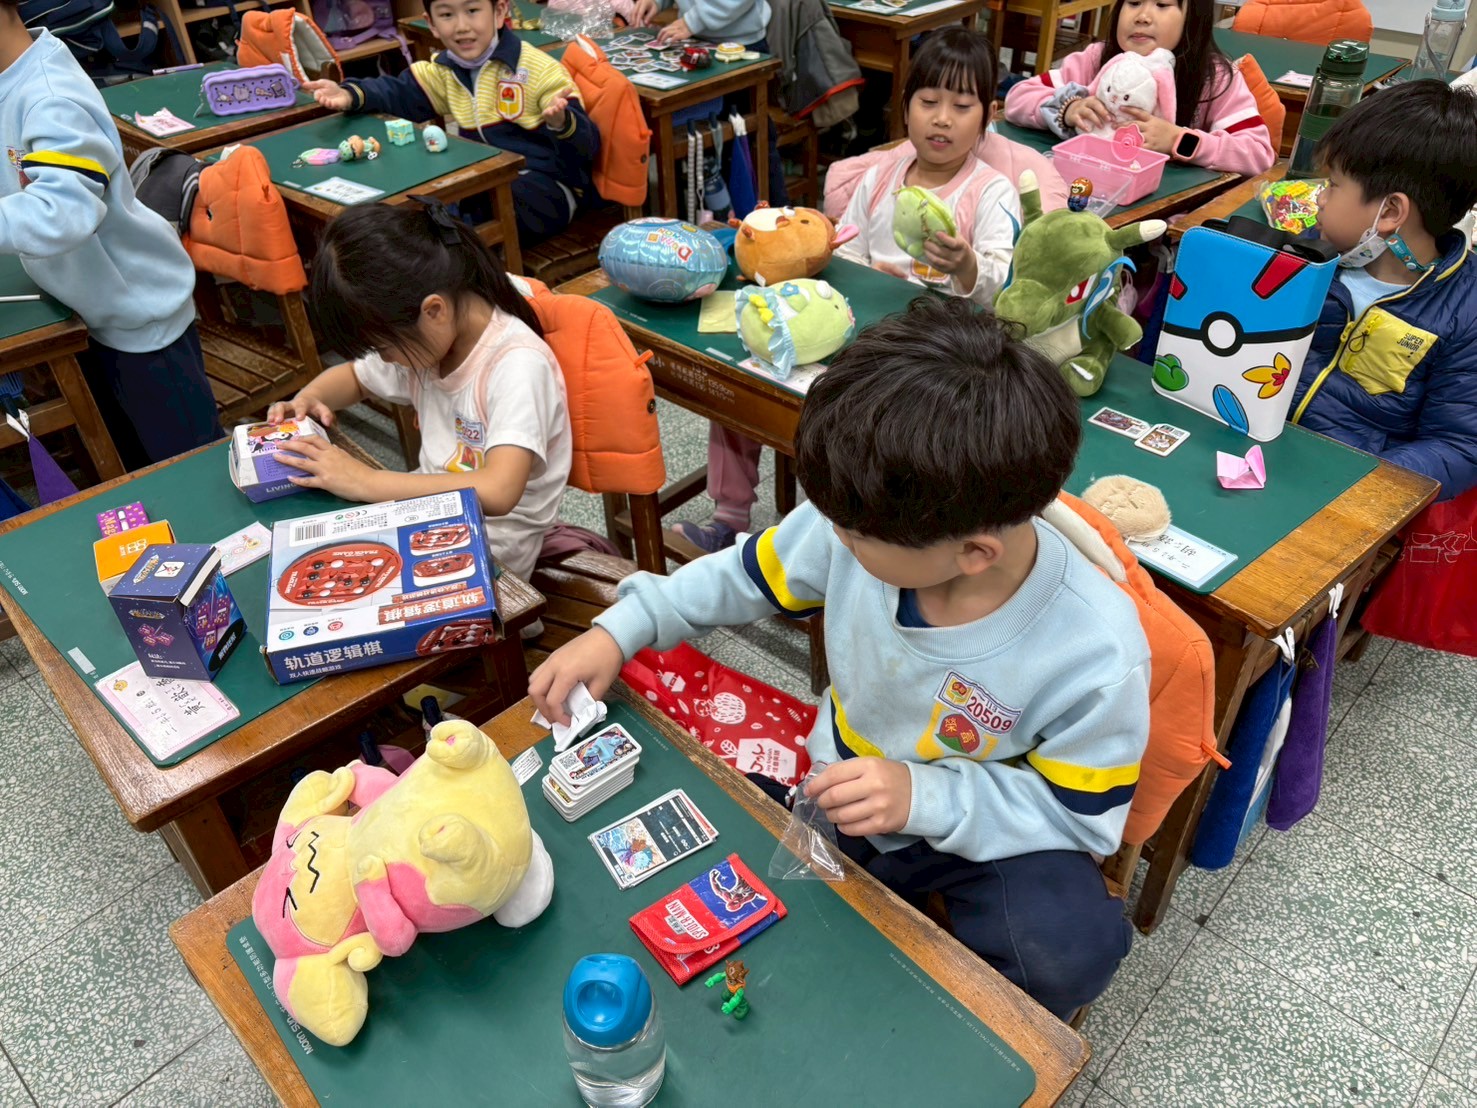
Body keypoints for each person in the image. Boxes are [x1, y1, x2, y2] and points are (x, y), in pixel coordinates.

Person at [531, 297, 1150, 1020]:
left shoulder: (1095, 649)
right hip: (844, 787)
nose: (834, 540)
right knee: (738, 886)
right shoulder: (866, 524)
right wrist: (623, 627)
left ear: (975, 552)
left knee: (1067, 950)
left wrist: (923, 796)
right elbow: (742, 577)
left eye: (853, 539)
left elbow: (1079, 818)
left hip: (991, 830)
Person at [676, 27, 1020, 554]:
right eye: (928, 102)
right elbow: (846, 252)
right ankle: (728, 515)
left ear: (987, 116)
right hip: (856, 332)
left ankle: (826, 544)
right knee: (753, 368)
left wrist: (967, 266)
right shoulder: (882, 175)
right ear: (905, 106)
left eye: (961, 106)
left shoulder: (991, 191)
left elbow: (1002, 286)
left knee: (847, 426)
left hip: (930, 359)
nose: (942, 119)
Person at [266, 202, 571, 585]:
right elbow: (357, 378)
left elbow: (499, 490)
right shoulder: (430, 340)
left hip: (492, 553)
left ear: (434, 311)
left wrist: (365, 481)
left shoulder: (517, 365)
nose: (385, 360)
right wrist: (310, 397)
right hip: (427, 516)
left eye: (384, 347)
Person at [0, 2, 221, 469]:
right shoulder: (11, 81)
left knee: (191, 466)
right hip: (82, 308)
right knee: (131, 467)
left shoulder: (51, 95)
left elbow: (62, 212)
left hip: (140, 321)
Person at [1288, 80, 1477, 501]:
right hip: (1257, 451)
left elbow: (1459, 446)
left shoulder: (1467, 312)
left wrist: (1359, 485)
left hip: (1350, 498)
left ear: (1390, 211)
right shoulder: (1309, 257)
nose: (1319, 199)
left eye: (1332, 184)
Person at [302, 0, 599, 246]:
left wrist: (562, 122)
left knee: (464, 215)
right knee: (439, 210)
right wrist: (350, 94)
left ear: (499, 12)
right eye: (446, 15)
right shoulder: (444, 70)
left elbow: (588, 147)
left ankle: (454, 258)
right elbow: (397, 92)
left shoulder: (538, 70)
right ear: (431, 23)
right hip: (488, 182)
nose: (461, 26)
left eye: (472, 11)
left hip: (550, 187)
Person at [1003, 0, 1275, 176]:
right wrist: (1068, 108)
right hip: (1083, 191)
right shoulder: (1096, 59)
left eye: (1162, 4)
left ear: (1193, 17)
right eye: (1133, 3)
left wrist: (1178, 139)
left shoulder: (1214, 78)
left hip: (1162, 218)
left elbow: (1258, 152)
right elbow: (1018, 97)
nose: (1143, 16)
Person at [630, 0, 787, 205]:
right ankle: (714, 218)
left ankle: (776, 215)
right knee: (702, 149)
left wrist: (692, 21)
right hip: (694, 40)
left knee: (748, 143)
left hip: (738, 44)